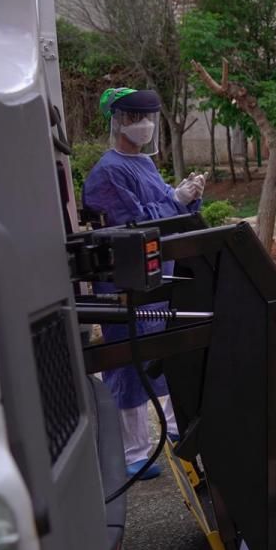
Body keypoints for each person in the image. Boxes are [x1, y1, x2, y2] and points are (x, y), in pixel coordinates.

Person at [82, 87, 203, 479]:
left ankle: (174, 431)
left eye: (148, 117)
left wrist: (186, 196)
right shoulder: (107, 172)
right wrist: (175, 201)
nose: (145, 125)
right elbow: (128, 224)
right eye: (136, 118)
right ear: (119, 122)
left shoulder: (143, 164)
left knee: (165, 354)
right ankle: (132, 453)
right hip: (126, 281)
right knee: (128, 364)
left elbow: (163, 203)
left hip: (159, 276)